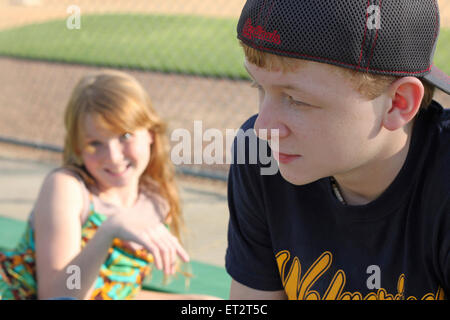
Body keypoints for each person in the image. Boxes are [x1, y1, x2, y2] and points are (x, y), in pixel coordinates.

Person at [226, 0, 449, 300]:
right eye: (259, 88)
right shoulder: (261, 158)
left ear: (398, 103)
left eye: (296, 99)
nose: (262, 127)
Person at [0, 70, 206, 300]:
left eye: (125, 136)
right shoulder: (69, 189)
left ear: (150, 133)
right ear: (77, 147)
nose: (114, 157)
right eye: (95, 143)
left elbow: (120, 292)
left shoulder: (157, 201)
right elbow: (57, 296)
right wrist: (109, 230)